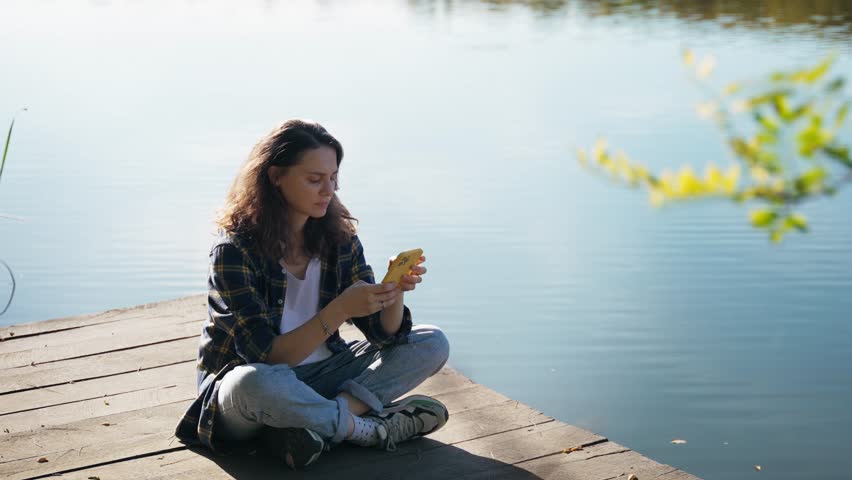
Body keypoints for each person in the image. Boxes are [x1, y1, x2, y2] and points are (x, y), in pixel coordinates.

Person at [175, 119, 450, 470]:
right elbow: (269, 360)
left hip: (323, 376)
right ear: (275, 177)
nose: (329, 190)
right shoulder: (234, 252)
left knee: (431, 342)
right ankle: (366, 429)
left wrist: (392, 295)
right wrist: (337, 311)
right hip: (247, 393)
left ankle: (310, 426)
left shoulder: (340, 239)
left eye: (333, 178)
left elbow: (384, 335)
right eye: (314, 179)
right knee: (254, 382)